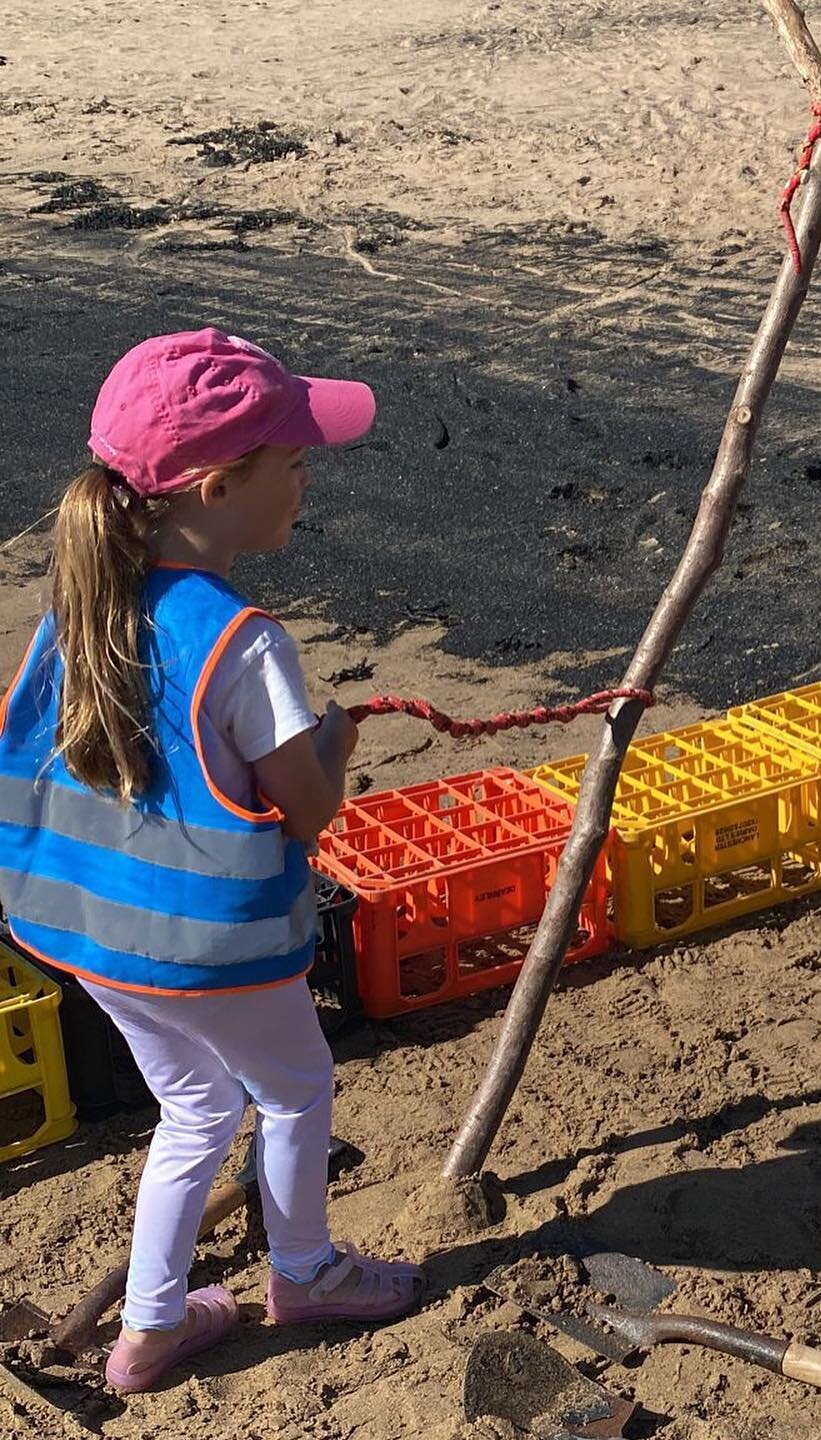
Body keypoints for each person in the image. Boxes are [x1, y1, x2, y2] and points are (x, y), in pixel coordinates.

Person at [0, 329, 423, 1393]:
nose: (304, 476)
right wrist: (336, 741)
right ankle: (307, 1271)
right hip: (211, 948)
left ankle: (148, 1329)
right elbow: (311, 809)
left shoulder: (80, 607)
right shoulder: (246, 643)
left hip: (88, 935)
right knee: (295, 1091)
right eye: (290, 461)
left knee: (194, 1106)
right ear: (218, 486)